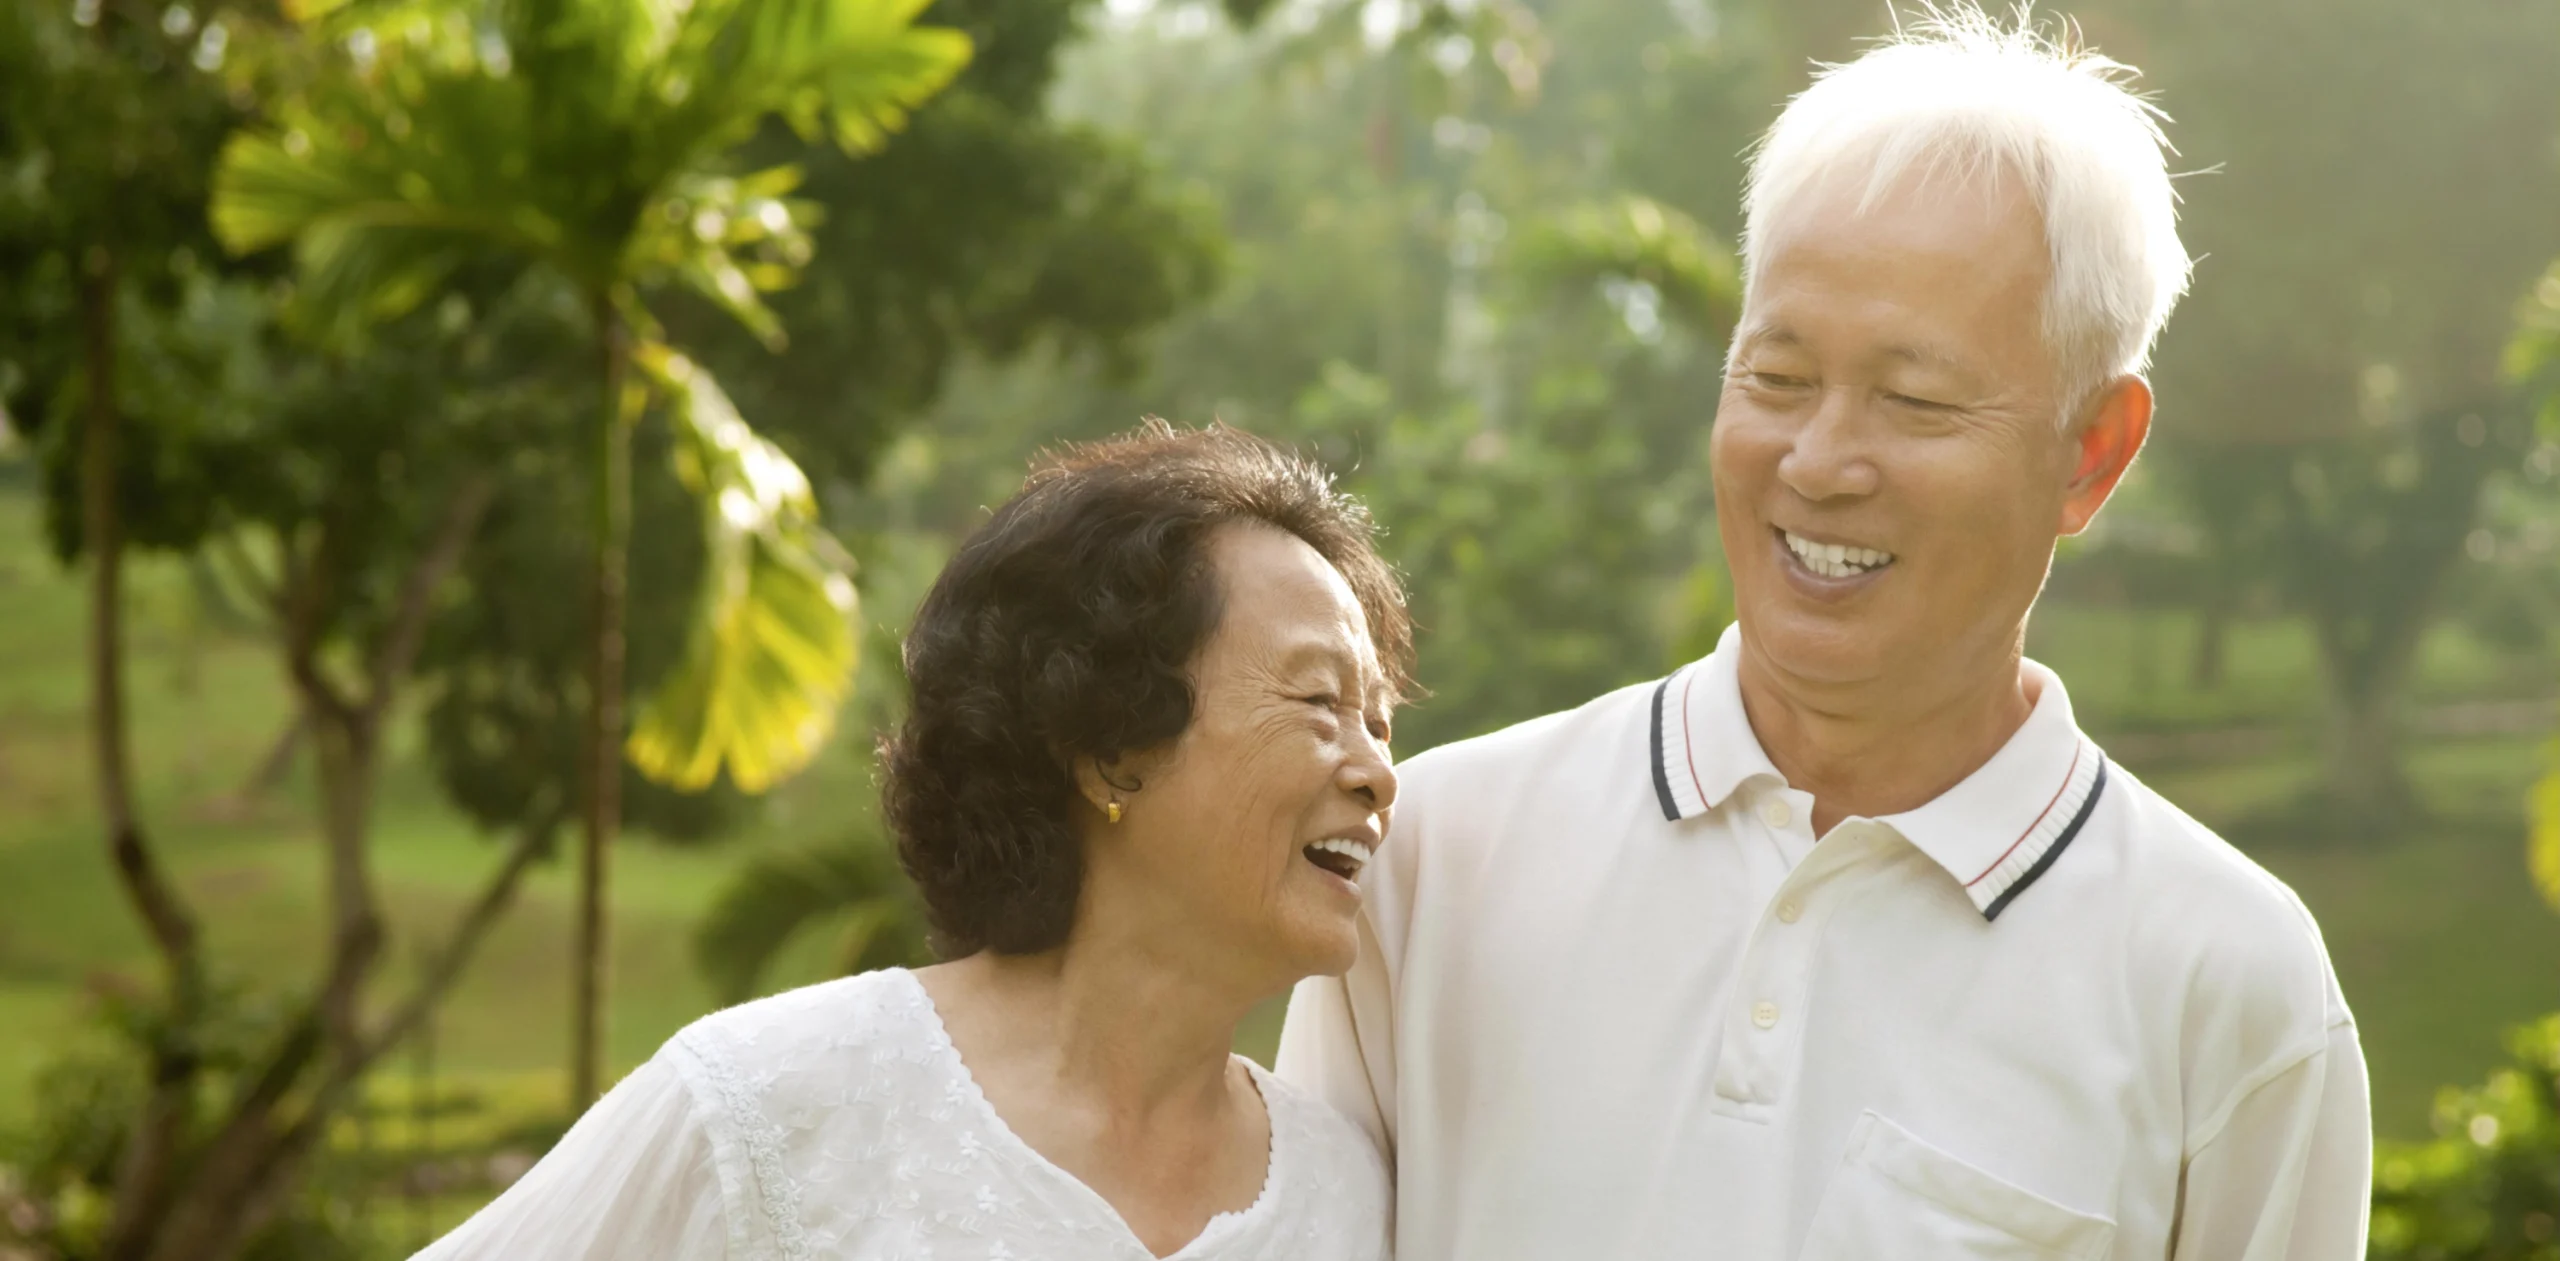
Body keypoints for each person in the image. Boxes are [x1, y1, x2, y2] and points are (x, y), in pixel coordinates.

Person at [1276, 9, 2370, 1261]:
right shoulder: (1429, 859)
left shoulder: (2229, 984)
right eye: (1776, 378)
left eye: (1912, 398)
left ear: (2091, 454)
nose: (1817, 461)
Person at [416, 421, 1405, 1260]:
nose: (1377, 772)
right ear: (1108, 749)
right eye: (1319, 702)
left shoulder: (1351, 1201)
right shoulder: (771, 1105)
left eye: (1381, 723)